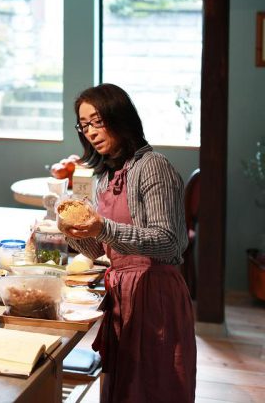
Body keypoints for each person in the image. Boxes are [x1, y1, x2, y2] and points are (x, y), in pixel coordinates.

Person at [60, 84, 196, 402]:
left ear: (119, 117)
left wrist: (103, 227)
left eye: (97, 121)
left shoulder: (152, 167)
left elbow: (170, 242)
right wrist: (67, 229)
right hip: (123, 295)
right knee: (122, 390)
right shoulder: (107, 177)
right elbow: (96, 250)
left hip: (155, 296)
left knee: (154, 388)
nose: (91, 132)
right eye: (84, 125)